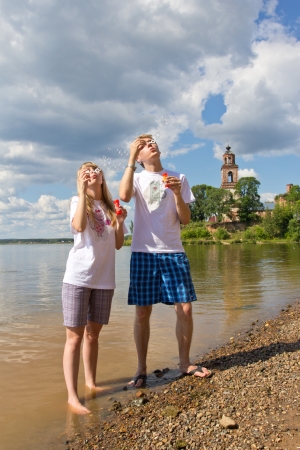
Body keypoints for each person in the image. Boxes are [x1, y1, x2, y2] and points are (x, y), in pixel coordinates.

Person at [119, 134, 212, 388]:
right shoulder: (136, 177)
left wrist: (177, 194)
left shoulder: (178, 177)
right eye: (145, 145)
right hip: (143, 252)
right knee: (142, 312)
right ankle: (141, 369)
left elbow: (185, 220)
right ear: (139, 156)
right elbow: (124, 195)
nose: (152, 145)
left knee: (185, 308)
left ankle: (184, 364)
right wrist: (130, 156)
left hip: (173, 251)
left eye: (153, 142)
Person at [62, 162, 127, 414]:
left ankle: (91, 383)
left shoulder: (111, 207)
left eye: (95, 169)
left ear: (102, 178)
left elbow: (119, 244)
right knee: (74, 338)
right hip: (78, 277)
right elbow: (78, 227)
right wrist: (81, 191)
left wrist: (120, 222)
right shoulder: (76, 202)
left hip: (104, 280)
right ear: (81, 179)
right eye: (85, 170)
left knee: (93, 335)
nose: (91, 172)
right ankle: (72, 397)